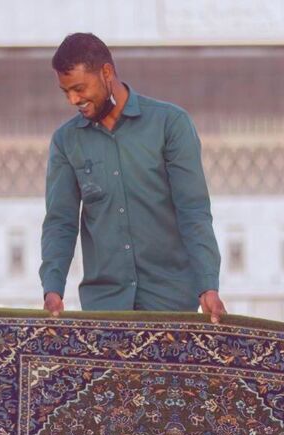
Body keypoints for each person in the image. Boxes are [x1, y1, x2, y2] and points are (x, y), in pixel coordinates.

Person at [40, 33, 226, 322]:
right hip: (105, 307)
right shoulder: (66, 141)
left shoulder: (170, 124)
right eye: (65, 92)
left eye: (78, 88)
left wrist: (208, 285)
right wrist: (52, 288)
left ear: (106, 73)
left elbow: (193, 211)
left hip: (170, 302)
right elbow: (60, 222)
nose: (73, 100)